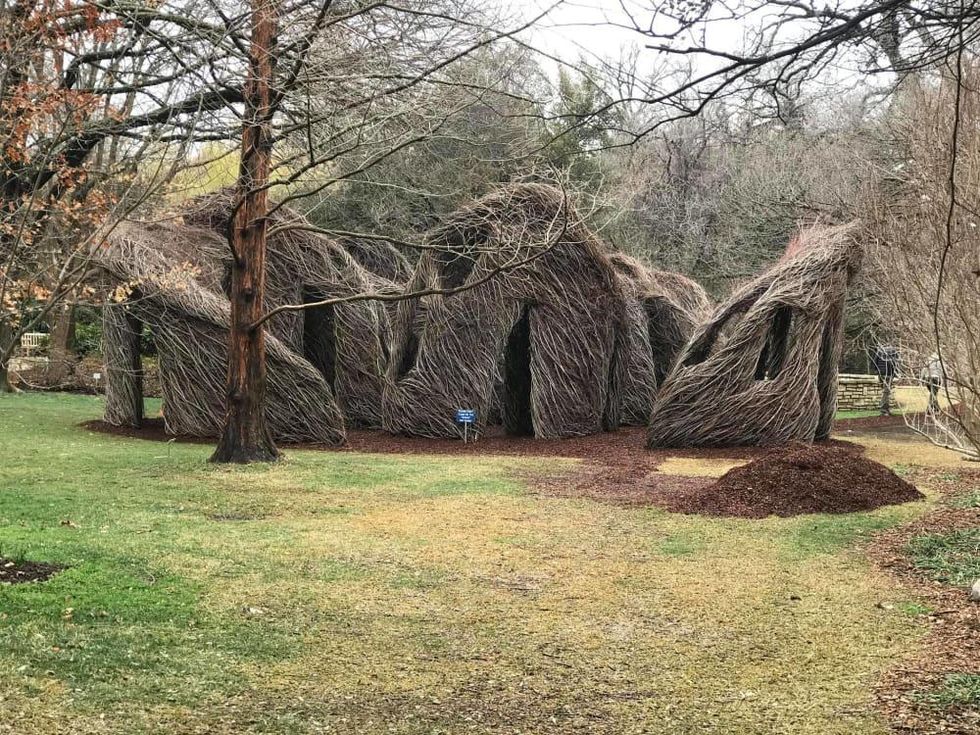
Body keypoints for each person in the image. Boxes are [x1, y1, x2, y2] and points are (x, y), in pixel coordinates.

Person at [871, 344, 899, 416]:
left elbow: (874, 362)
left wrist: (877, 371)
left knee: (886, 392)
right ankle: (884, 410)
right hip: (889, 374)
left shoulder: (880, 351)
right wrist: (895, 373)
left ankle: (886, 409)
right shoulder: (893, 352)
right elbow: (896, 363)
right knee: (886, 392)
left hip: (881, 374)